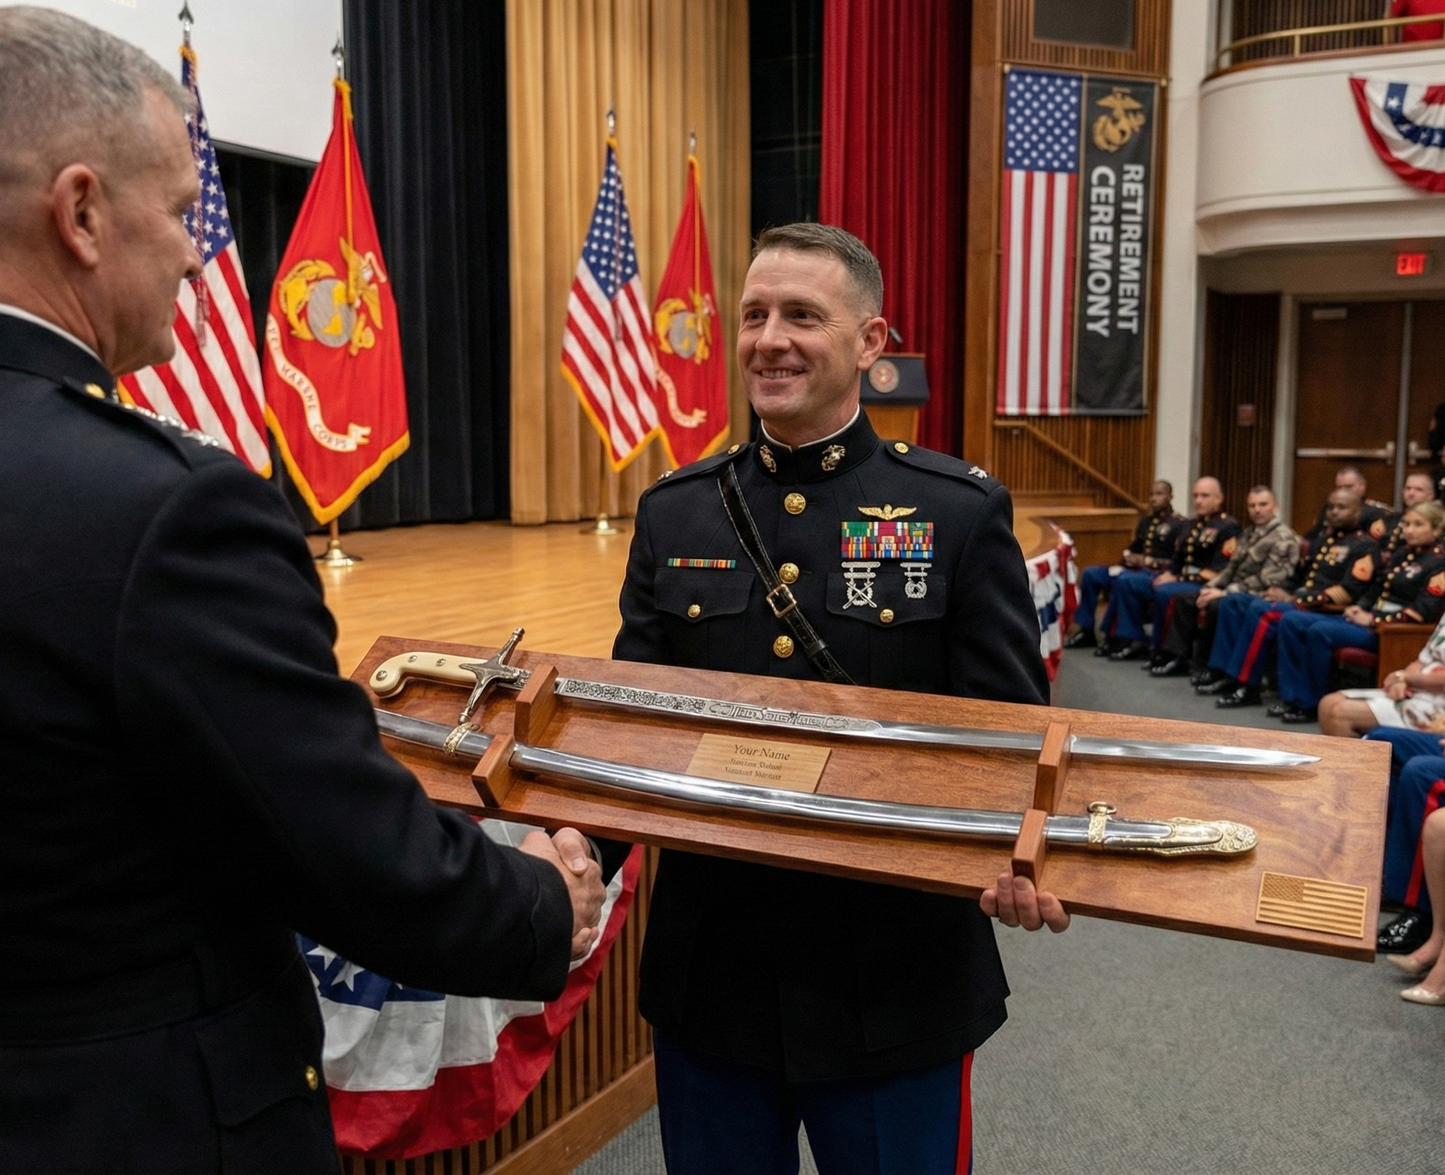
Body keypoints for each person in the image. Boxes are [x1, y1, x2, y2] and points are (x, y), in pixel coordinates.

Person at [0, 10, 611, 1170]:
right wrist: (541, 898)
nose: (197, 256)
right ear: (80, 213)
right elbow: (334, 845)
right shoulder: (165, 512)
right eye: (182, 211)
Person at [614, 223, 1067, 1175]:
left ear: (870, 342)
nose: (768, 339)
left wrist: (1024, 852)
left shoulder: (954, 511)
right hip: (713, 976)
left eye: (801, 316)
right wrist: (577, 850)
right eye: (753, 315)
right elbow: (634, 724)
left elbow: (1013, 731)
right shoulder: (676, 511)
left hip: (893, 981)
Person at [1271, 500, 1445, 722]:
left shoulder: (1439, 563)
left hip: (1391, 631)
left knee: (1319, 631)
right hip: (1370, 620)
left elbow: (1421, 612)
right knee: (1293, 620)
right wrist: (1359, 607)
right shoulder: (1402, 554)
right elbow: (1376, 588)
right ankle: (1290, 698)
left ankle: (1306, 704)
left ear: (1436, 529)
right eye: (1407, 524)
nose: (1409, 530)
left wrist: (1372, 618)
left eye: (1418, 525)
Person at [1209, 489, 1380, 709]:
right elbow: (1300, 576)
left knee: (1264, 612)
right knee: (1243, 602)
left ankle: (1246, 684)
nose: (1334, 512)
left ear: (1357, 512)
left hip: (1327, 608)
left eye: (1342, 507)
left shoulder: (1364, 546)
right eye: (1331, 507)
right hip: (1306, 601)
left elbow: (1348, 592)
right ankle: (1231, 675)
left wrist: (1296, 597)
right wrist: (1281, 590)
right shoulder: (1323, 541)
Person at [1153, 485, 1298, 682]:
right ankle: (1180, 658)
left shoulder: (1283, 538)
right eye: (1252, 505)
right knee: (1187, 597)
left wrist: (1225, 592)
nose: (1257, 510)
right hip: (1238, 588)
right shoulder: (1250, 533)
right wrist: (1211, 586)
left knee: (1217, 605)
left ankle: (1216, 669)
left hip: (1262, 593)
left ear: (1276, 507)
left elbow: (1268, 579)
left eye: (1263, 505)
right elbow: (1231, 568)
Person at [1098, 477, 1239, 662]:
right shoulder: (1192, 524)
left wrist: (1178, 576)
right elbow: (1178, 557)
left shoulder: (1228, 527)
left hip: (1204, 583)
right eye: (1196, 496)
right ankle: (1131, 639)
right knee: (1128, 582)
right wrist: (1170, 572)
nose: (1198, 501)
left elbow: (1219, 570)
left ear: (1219, 498)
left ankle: (1164, 650)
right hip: (1180, 578)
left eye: (1205, 496)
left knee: (1165, 591)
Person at [1062, 479, 1184, 650]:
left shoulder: (1178, 524)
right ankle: (1086, 629)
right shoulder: (1146, 522)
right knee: (1091, 573)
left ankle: (1120, 636)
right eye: (1151, 494)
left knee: (1124, 581)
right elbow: (1134, 548)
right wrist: (1129, 557)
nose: (1153, 498)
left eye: (1159, 494)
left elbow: (1177, 561)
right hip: (1134, 568)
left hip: (1155, 573)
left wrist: (1149, 561)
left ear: (1170, 497)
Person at [1318, 612, 1445, 738]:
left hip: (1438, 706)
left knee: (1339, 714)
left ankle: (1359, 752)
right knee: (1328, 703)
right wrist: (1401, 680)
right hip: (1416, 691)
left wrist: (1406, 678)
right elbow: (1421, 660)